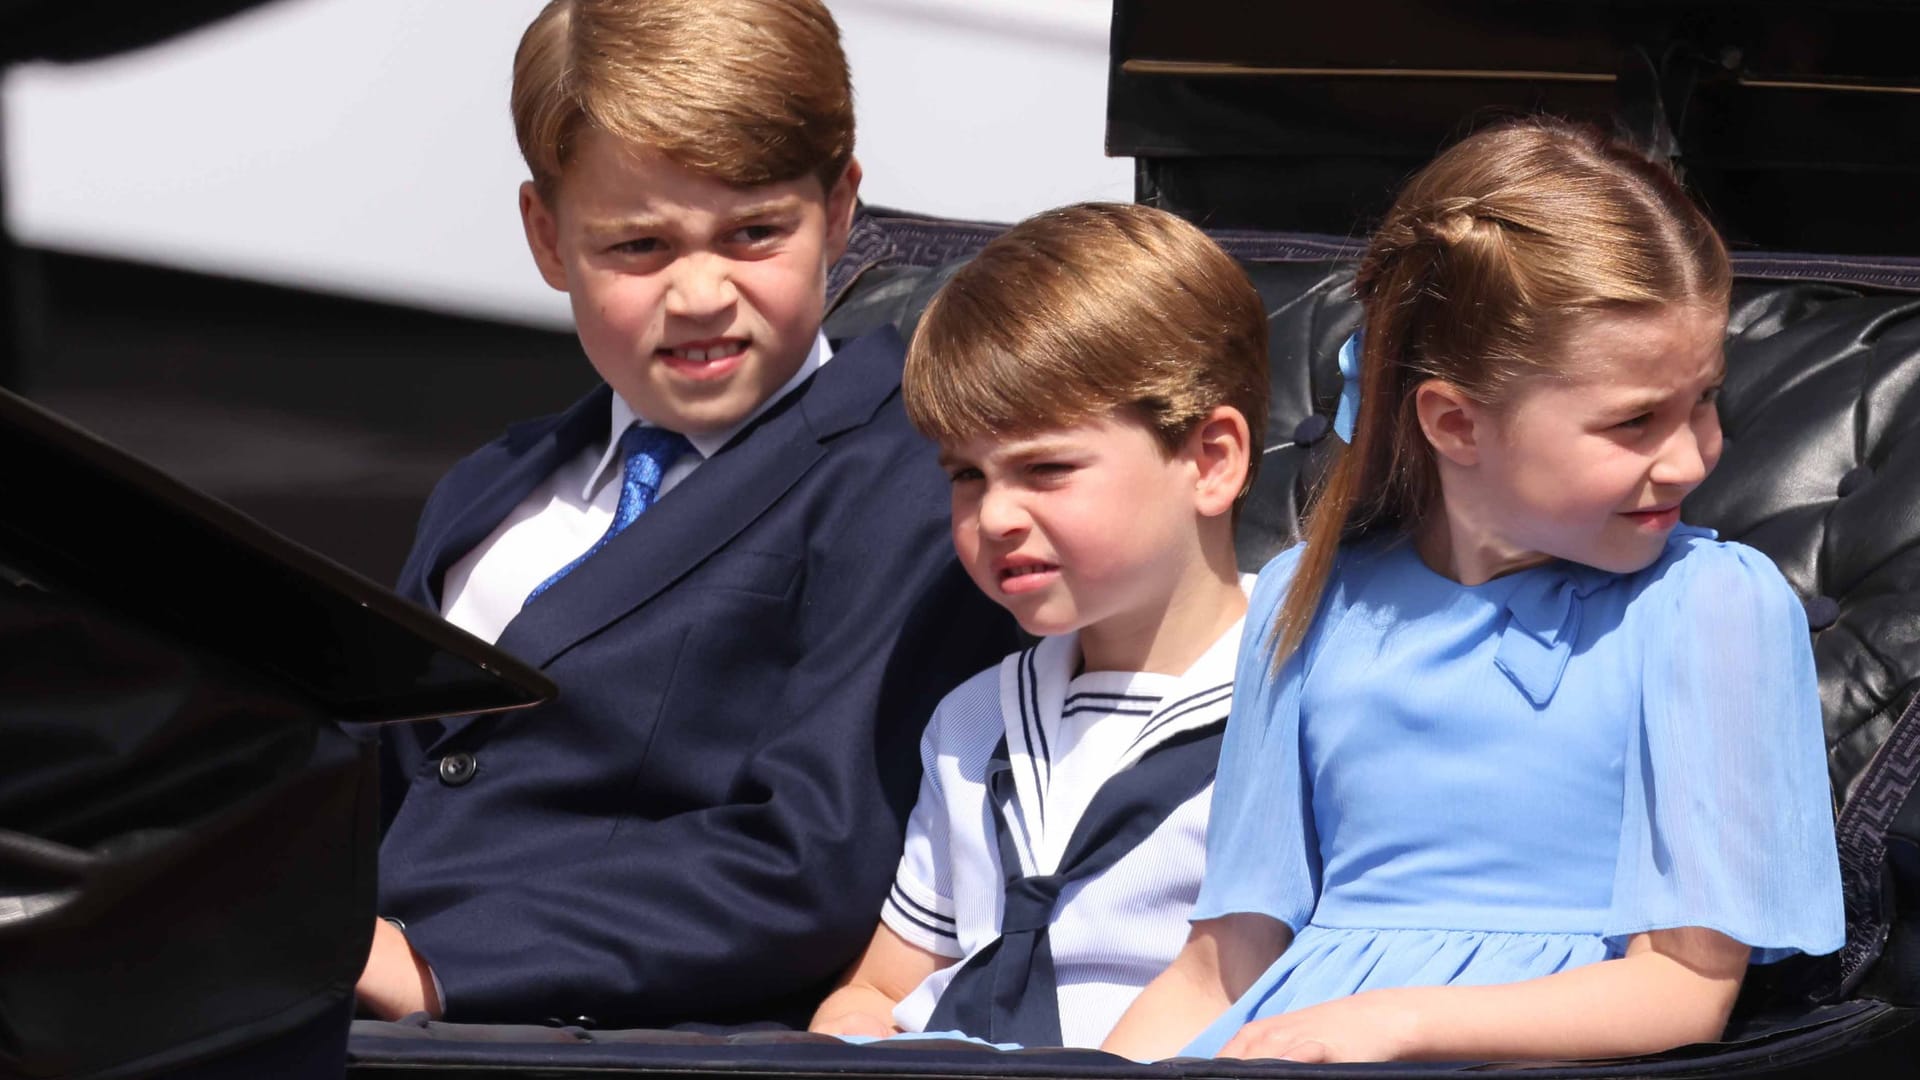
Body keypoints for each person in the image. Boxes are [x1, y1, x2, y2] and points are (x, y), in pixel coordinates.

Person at [1101, 118, 1846, 1064]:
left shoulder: (1711, 607)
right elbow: (1223, 964)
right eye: (1635, 421)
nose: (1694, 454)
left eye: (1704, 398)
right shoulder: (1306, 600)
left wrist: (1396, 1022)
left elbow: (1687, 985)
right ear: (1456, 421)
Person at [359, 0, 1018, 1028]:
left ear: (841, 210)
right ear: (546, 235)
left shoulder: (919, 479)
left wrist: (437, 965)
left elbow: (818, 851)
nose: (702, 291)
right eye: (639, 247)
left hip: (618, 1035)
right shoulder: (493, 482)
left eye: (754, 233)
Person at [808, 203, 1271, 1048]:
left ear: (1211, 461)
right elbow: (885, 982)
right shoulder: (970, 722)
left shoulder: (1293, 708)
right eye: (967, 476)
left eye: (1045, 468)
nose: (996, 516)